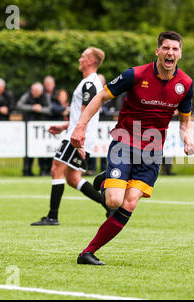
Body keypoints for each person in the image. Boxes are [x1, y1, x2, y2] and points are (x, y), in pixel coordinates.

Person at [70, 31, 194, 265]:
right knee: (113, 201)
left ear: (180, 53)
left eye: (175, 49)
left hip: (152, 151)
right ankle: (108, 178)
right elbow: (100, 98)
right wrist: (81, 126)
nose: (170, 53)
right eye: (166, 48)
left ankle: (87, 252)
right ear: (157, 51)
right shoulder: (135, 74)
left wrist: (187, 139)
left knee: (130, 203)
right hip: (125, 143)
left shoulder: (186, 84)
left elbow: (185, 122)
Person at [30, 47, 113, 226]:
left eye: (82, 57)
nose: (79, 59)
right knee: (73, 178)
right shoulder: (89, 83)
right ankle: (109, 207)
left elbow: (86, 113)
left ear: (90, 61)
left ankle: (52, 216)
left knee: (56, 168)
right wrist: (64, 126)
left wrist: (78, 140)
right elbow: (82, 115)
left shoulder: (89, 84)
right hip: (78, 134)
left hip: (77, 137)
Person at [17, 82, 52, 176]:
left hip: (41, 128)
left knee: (41, 149)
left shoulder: (46, 96)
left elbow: (49, 109)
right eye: (33, 90)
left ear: (41, 91)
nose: (33, 92)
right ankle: (26, 170)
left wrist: (41, 109)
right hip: (28, 126)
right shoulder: (27, 95)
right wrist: (32, 108)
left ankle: (43, 170)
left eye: (36, 91)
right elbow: (19, 105)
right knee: (27, 149)